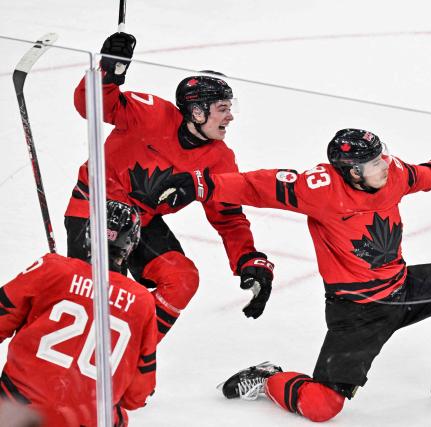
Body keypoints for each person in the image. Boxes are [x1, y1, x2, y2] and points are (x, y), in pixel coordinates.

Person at [156, 128, 431, 422]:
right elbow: (253, 186)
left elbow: (417, 176)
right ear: (351, 171)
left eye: (383, 156)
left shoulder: (391, 172)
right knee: (323, 407)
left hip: (402, 288)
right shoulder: (318, 189)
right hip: (357, 312)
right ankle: (267, 379)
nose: (385, 165)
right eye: (374, 163)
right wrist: (197, 183)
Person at [64, 32, 275, 342]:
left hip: (142, 222)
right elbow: (91, 106)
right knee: (103, 294)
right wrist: (109, 72)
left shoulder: (220, 159)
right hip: (95, 209)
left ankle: (133, 350)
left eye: (230, 107)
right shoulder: (148, 113)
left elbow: (228, 218)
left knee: (181, 278)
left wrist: (247, 258)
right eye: (222, 108)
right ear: (197, 111)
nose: (230, 116)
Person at [0, 200, 156, 426]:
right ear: (131, 245)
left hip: (17, 408)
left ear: (88, 233)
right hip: (86, 419)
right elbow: (137, 395)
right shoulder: (142, 302)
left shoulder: (53, 268)